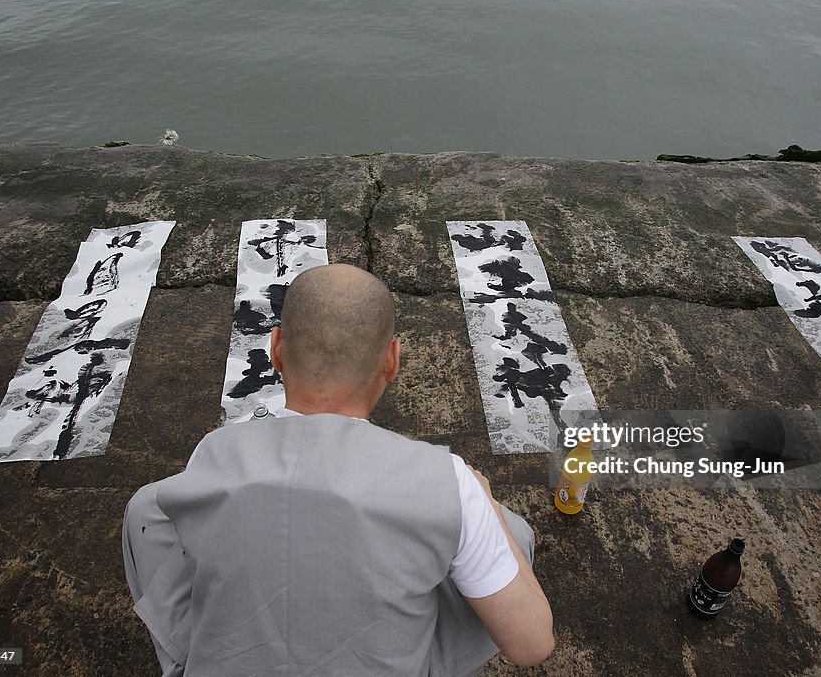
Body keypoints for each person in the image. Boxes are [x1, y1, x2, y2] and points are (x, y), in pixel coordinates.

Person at [122, 264, 554, 675]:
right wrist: (485, 504)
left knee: (149, 507)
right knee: (508, 533)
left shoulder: (215, 452)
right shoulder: (445, 479)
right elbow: (532, 646)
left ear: (276, 349)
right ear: (392, 360)